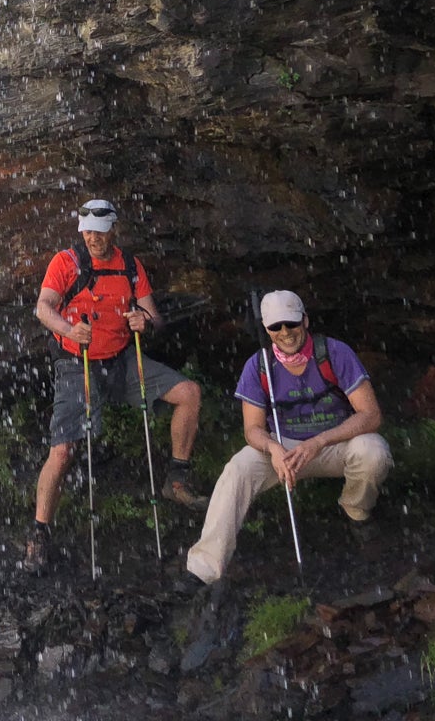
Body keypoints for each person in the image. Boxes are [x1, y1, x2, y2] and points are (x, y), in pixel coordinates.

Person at [26, 199, 207, 571]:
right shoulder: (66, 262)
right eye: (87, 231)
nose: (93, 238)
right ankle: (39, 535)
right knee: (62, 451)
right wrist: (69, 329)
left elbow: (155, 318)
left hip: (123, 359)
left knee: (189, 393)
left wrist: (145, 321)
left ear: (113, 230)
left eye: (100, 231)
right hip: (78, 363)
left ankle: (176, 478)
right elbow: (44, 308)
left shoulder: (129, 266)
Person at [185, 289, 392, 584]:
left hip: (334, 443)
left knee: (374, 451)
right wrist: (273, 448)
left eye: (291, 324)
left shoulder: (334, 353)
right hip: (284, 450)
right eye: (276, 327)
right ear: (267, 330)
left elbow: (371, 415)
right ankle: (204, 568)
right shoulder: (258, 366)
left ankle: (356, 511)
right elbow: (252, 429)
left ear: (305, 321)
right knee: (237, 470)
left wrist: (319, 441)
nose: (285, 332)